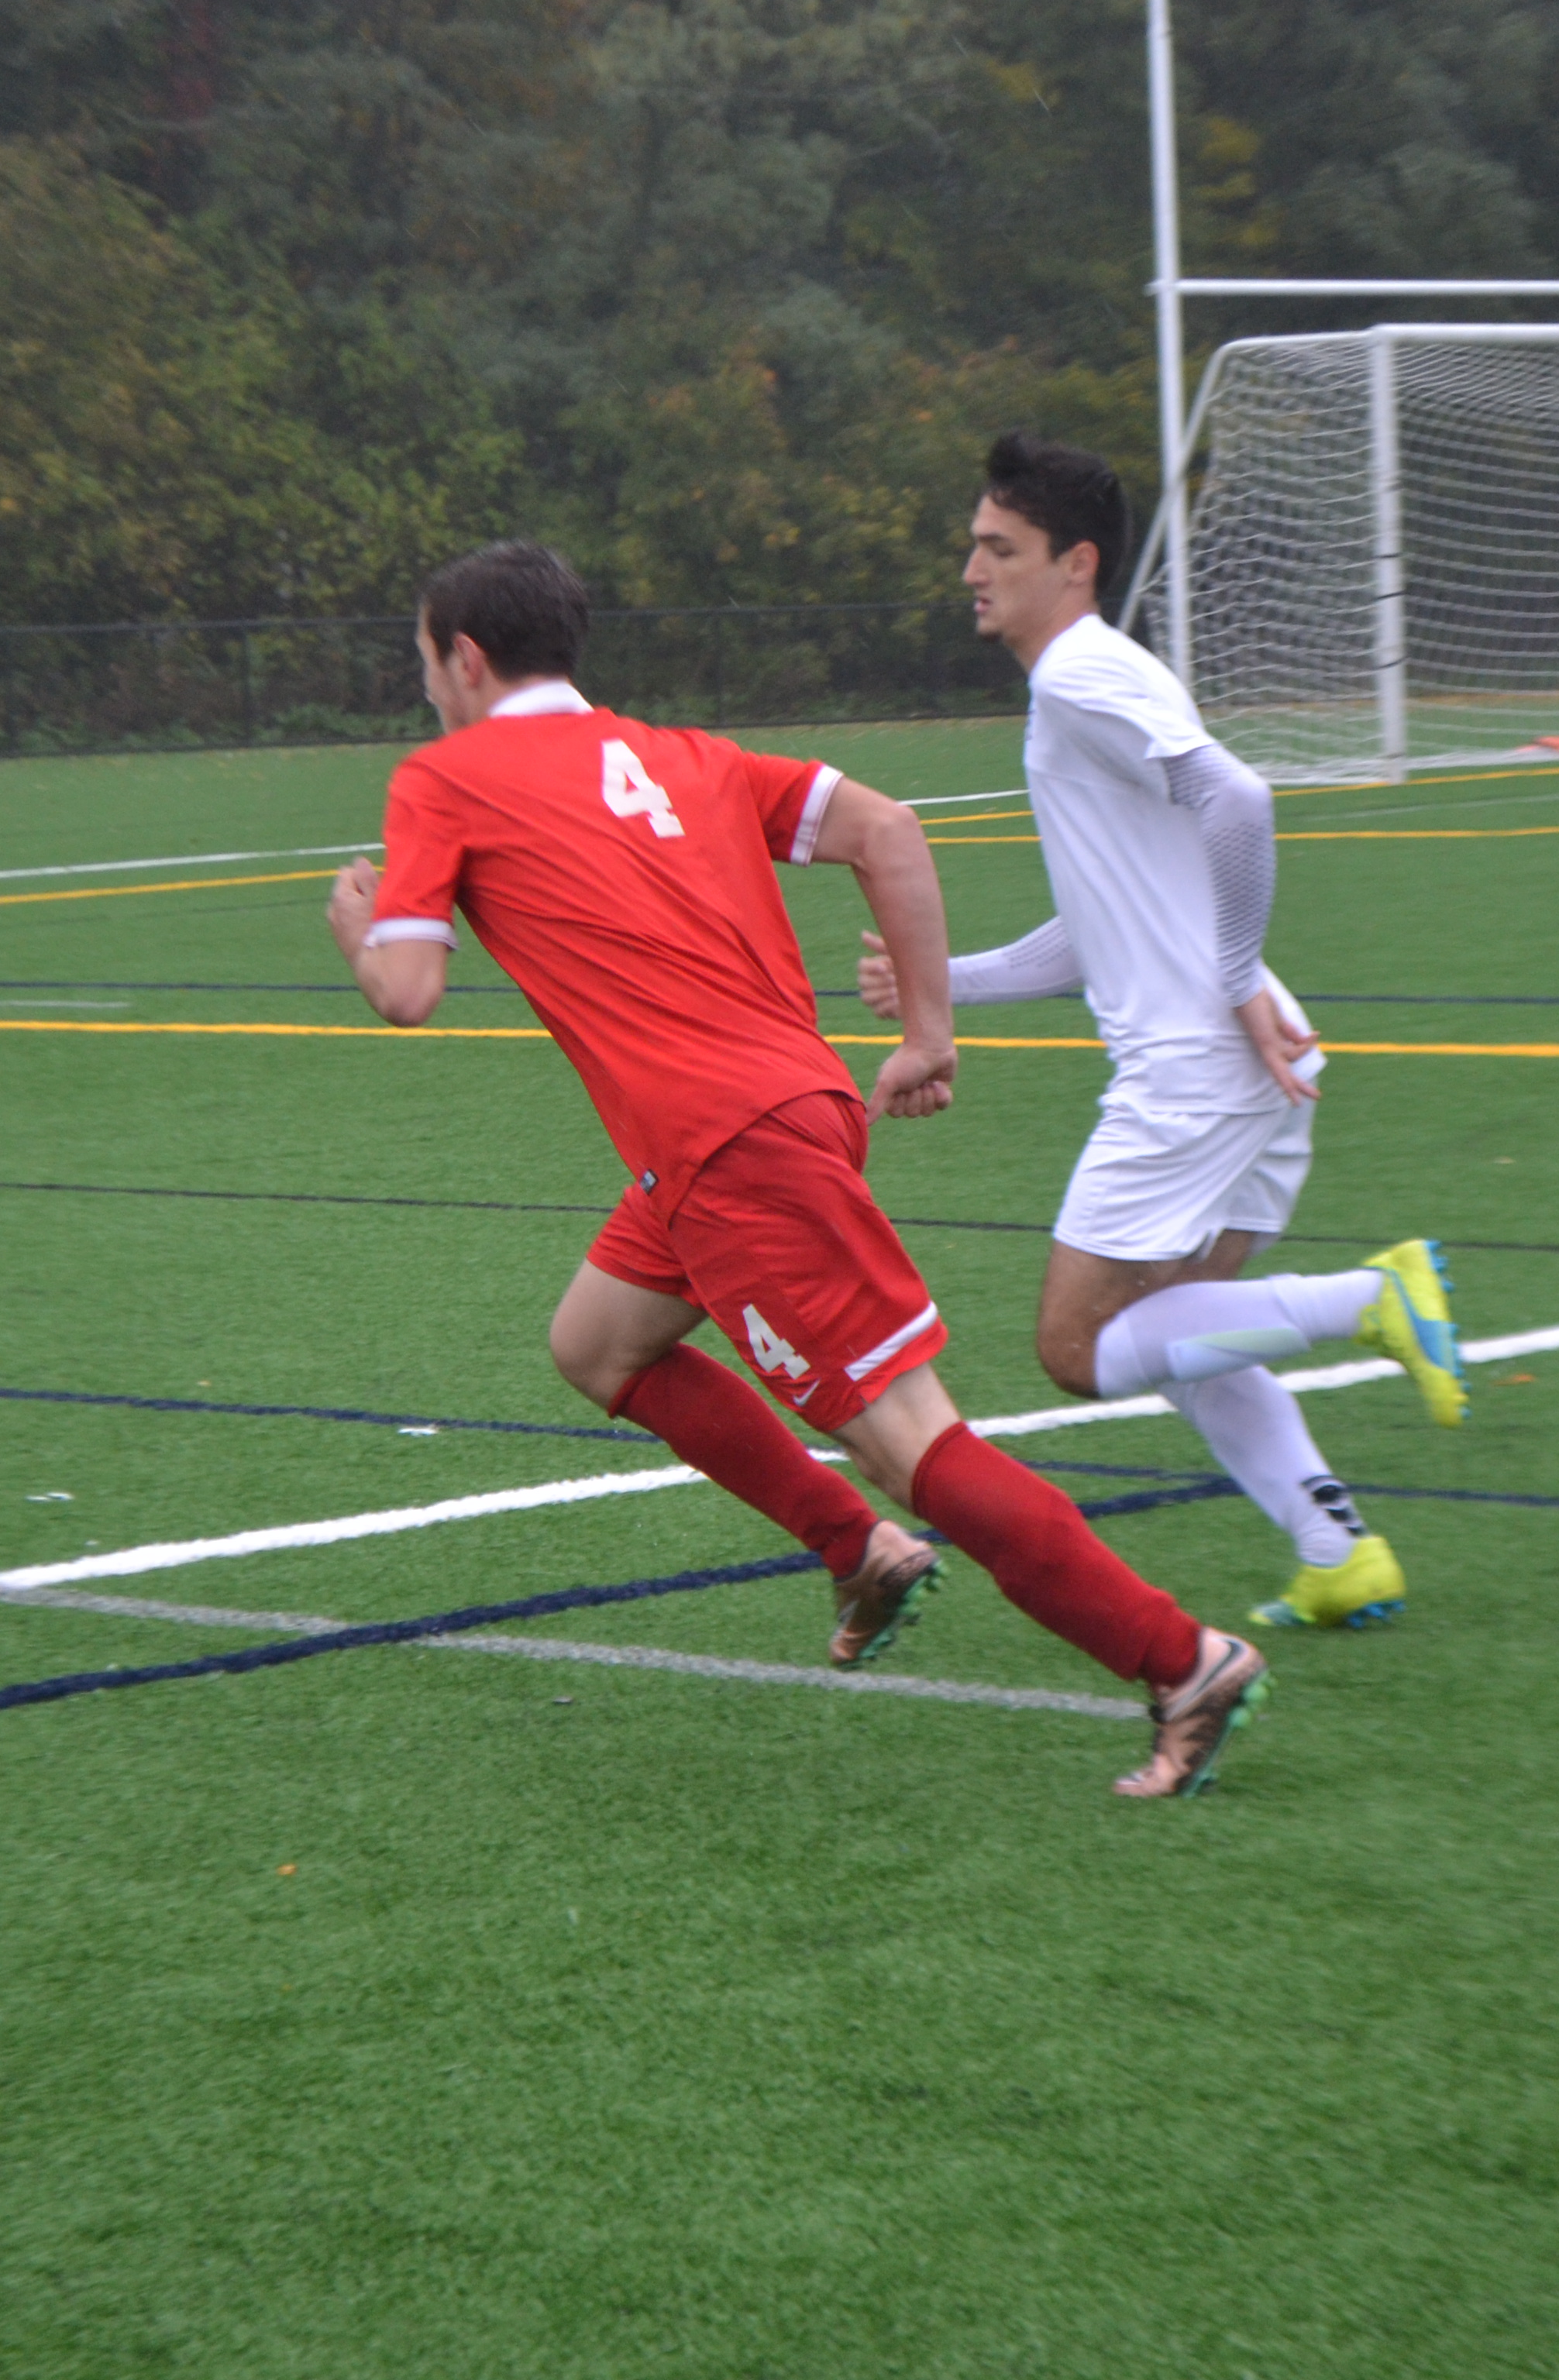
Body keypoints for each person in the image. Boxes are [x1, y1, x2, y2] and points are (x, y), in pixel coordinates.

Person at [326, 541, 1268, 1800]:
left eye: (425, 662)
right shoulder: (688, 756)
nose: (425, 689)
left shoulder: (445, 775)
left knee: (911, 1438)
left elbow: (408, 990)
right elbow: (887, 827)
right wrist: (927, 1033)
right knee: (598, 1346)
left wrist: (358, 930)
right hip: (776, 1113)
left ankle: (1181, 1661)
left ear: (468, 658)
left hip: (732, 1151)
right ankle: (860, 1550)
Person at [859, 433, 1467, 1635]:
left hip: (1201, 1069)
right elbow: (1104, 925)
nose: (972, 569)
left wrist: (1233, 972)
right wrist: (946, 982)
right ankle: (1335, 1547)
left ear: (1072, 565)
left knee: (1079, 1347)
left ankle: (1369, 1299)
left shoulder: (1082, 675)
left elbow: (1240, 799)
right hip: (1250, 1063)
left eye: (999, 549)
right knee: (1174, 1329)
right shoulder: (1088, 687)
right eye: (974, 545)